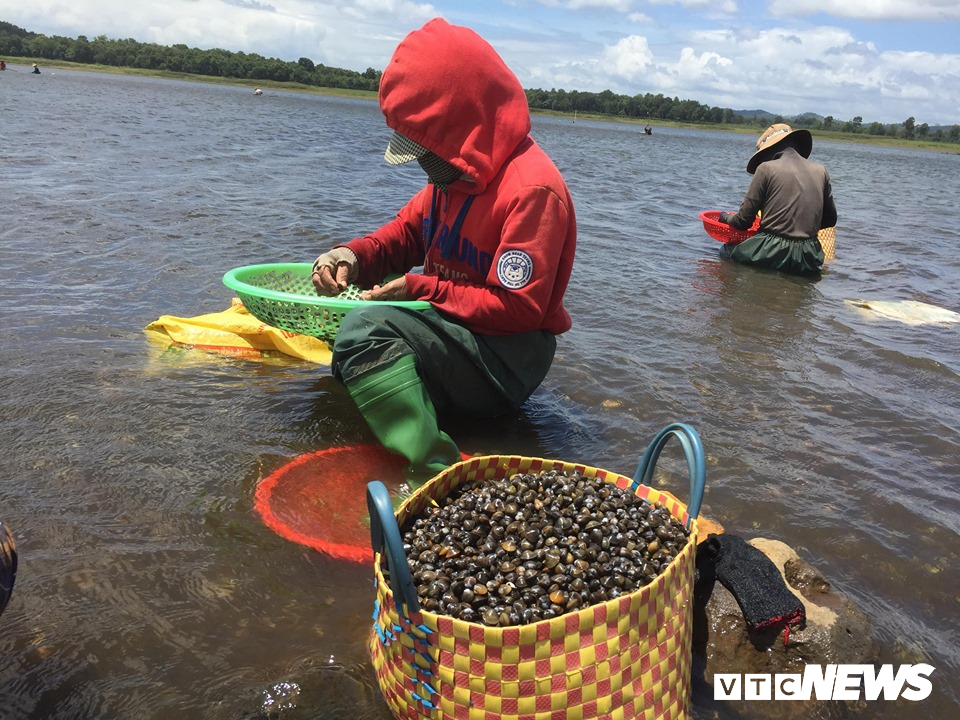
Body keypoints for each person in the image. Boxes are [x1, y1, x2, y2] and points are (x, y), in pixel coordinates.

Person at [311, 18, 576, 480]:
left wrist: (420, 288)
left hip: (507, 355)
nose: (421, 162)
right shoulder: (449, 181)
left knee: (363, 333)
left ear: (459, 129)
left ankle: (433, 472)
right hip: (456, 332)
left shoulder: (532, 190)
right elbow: (400, 237)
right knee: (346, 333)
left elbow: (519, 311)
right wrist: (349, 257)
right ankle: (420, 430)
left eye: (427, 149)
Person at [717, 123, 837, 275]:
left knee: (726, 251)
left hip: (771, 250)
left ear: (770, 150)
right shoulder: (821, 171)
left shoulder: (766, 169)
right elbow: (830, 220)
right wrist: (800, 228)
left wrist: (724, 217)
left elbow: (742, 221)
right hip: (809, 256)